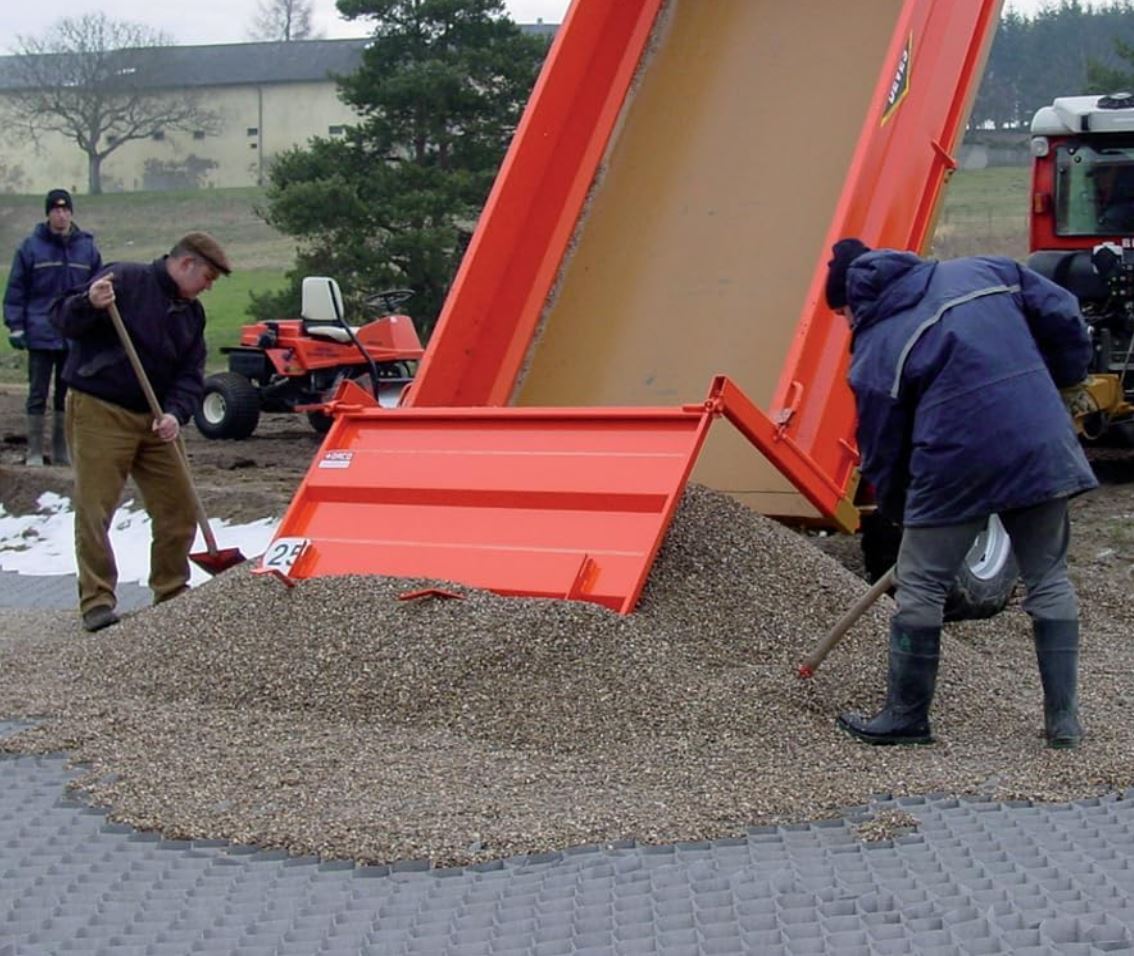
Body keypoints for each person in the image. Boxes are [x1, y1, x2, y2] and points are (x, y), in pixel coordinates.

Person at [825, 238, 1098, 749]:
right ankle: (1064, 723)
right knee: (1048, 577)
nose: (845, 323)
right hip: (1039, 442)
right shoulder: (987, 271)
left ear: (854, 301)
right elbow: (1061, 308)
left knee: (921, 584)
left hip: (953, 464)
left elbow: (883, 446)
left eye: (841, 313)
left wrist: (903, 511)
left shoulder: (878, 346)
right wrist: (1066, 376)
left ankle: (906, 718)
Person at [53, 232, 232, 633]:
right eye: (207, 276)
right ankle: (97, 600)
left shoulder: (192, 314)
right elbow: (62, 318)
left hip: (156, 421)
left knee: (179, 506)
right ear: (185, 264)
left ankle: (171, 592)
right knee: (95, 508)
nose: (208, 286)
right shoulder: (124, 280)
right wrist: (88, 303)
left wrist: (175, 413)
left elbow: (191, 374)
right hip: (100, 410)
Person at [3, 189, 102, 467]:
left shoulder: (87, 249)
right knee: (37, 392)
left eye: (66, 210)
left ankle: (61, 451)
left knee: (66, 394)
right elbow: (16, 289)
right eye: (56, 210)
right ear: (48, 214)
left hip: (73, 335)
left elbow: (98, 287)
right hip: (40, 332)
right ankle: (35, 450)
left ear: (72, 213)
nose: (61, 214)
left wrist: (95, 326)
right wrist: (16, 326)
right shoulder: (30, 248)